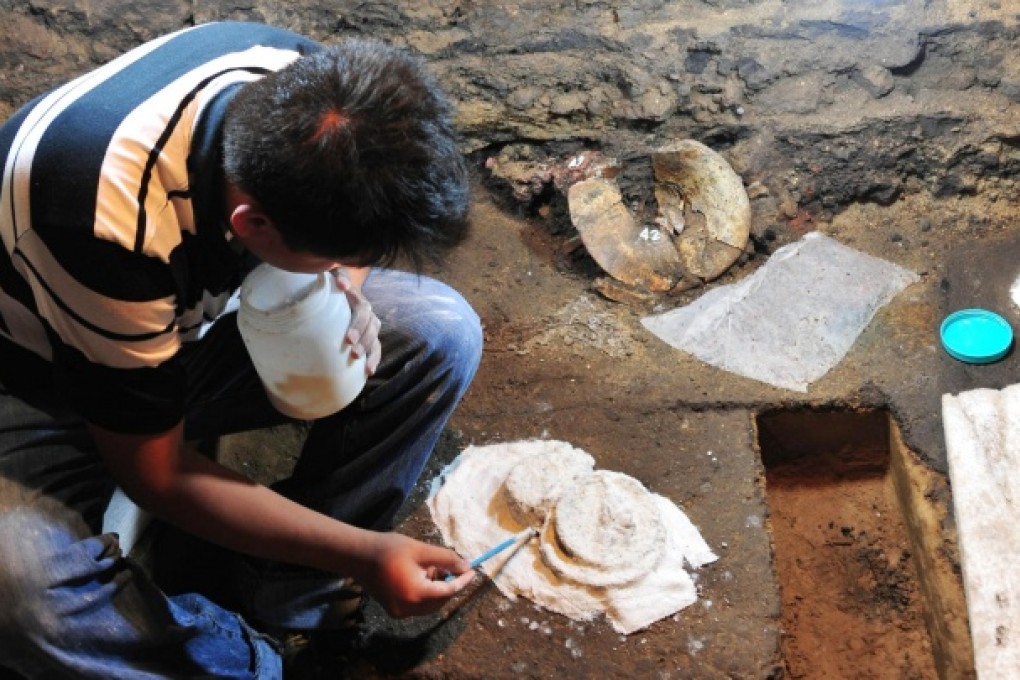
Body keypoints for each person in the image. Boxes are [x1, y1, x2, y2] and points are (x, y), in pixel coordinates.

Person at [0, 20, 482, 678]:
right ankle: (251, 661)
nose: (348, 266)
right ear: (252, 224)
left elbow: (334, 253)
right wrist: (367, 554)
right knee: (30, 596)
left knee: (440, 331)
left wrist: (344, 288)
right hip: (37, 378)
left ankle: (291, 596)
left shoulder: (313, 88)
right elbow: (158, 474)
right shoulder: (101, 222)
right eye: (340, 253)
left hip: (174, 327)